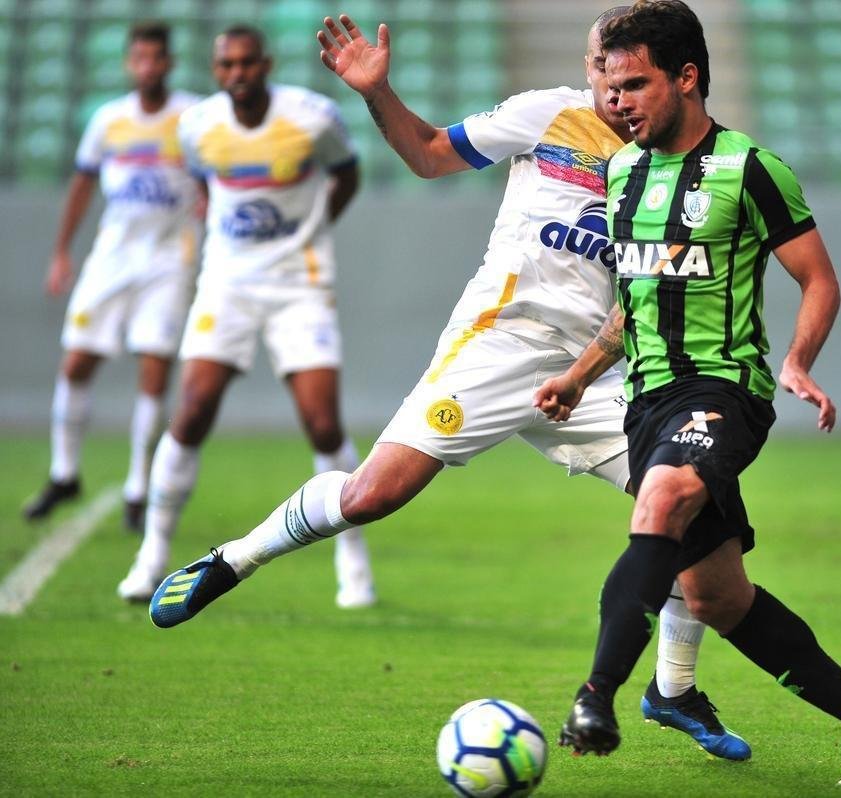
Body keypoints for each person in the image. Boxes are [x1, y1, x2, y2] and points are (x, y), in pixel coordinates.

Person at [143, 10, 751, 761]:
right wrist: (378, 92)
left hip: (589, 369)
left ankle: (672, 689)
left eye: (618, 70)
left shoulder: (677, 167)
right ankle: (236, 557)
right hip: (499, 343)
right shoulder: (547, 115)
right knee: (374, 495)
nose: (604, 84)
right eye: (596, 66)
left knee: (693, 514)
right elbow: (430, 154)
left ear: (664, 76)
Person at [534, 1, 841, 786]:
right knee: (717, 598)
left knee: (663, 499)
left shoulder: (749, 168)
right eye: (609, 88)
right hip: (647, 402)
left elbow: (819, 280)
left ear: (687, 77)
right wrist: (579, 374)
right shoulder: (622, 170)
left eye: (635, 85)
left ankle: (595, 697)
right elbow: (637, 295)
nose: (617, 103)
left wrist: (799, 360)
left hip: (723, 391)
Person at [116, 25, 376, 611]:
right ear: (216, 71)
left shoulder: (313, 117)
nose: (236, 74)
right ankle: (151, 555)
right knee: (193, 409)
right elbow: (200, 182)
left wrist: (310, 232)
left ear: (265, 64)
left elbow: (347, 175)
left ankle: (352, 560)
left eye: (246, 64)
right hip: (227, 285)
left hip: (299, 286)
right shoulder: (198, 126)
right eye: (225, 65)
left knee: (322, 424)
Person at [23, 22, 199, 532]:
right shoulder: (108, 120)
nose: (147, 67)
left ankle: (139, 487)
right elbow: (82, 184)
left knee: (153, 370)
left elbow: (213, 176)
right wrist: (61, 251)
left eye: (156, 58)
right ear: (130, 63)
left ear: (168, 63)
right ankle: (64, 472)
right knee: (77, 360)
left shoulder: (191, 116)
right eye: (139, 58)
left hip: (169, 259)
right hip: (112, 258)